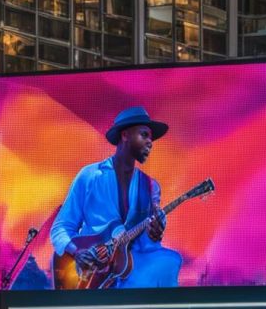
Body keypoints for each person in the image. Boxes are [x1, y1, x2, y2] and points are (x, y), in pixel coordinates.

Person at [51, 106, 182, 288]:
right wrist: (77, 252)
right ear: (125, 135)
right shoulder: (90, 176)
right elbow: (61, 228)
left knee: (170, 262)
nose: (150, 142)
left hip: (128, 276)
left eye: (151, 138)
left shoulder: (151, 187)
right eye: (144, 135)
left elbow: (148, 241)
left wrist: (155, 233)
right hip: (91, 277)